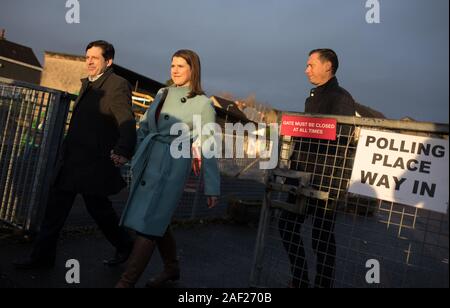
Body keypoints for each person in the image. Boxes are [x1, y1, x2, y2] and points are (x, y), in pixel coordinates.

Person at [13, 40, 136, 269]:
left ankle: (125, 243)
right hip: (72, 160)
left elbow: (127, 121)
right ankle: (42, 259)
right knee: (55, 210)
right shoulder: (88, 84)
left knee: (99, 210)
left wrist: (123, 149)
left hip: (94, 163)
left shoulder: (116, 85)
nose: (89, 61)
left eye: (94, 58)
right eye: (87, 57)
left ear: (108, 61)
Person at [115, 49, 220, 288]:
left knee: (150, 222)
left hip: (171, 167)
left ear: (193, 69)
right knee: (157, 219)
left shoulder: (202, 104)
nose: (174, 70)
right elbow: (144, 127)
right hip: (149, 160)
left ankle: (125, 282)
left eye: (180, 66)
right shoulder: (163, 93)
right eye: (172, 65)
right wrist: (126, 153)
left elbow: (209, 145)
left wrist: (212, 187)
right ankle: (172, 267)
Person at [279, 49, 356, 288]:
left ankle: (323, 284)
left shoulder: (341, 98)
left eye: (311, 65)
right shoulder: (312, 97)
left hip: (325, 181)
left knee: (321, 238)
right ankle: (301, 279)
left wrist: (304, 129)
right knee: (287, 226)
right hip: (302, 176)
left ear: (328, 66)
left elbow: (339, 138)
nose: (306, 69)